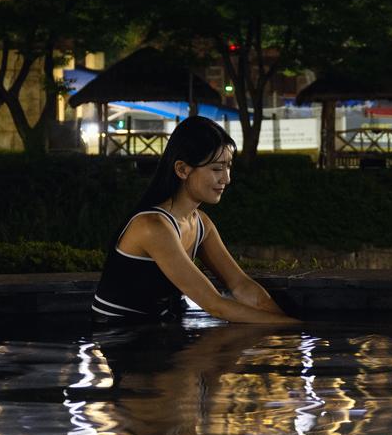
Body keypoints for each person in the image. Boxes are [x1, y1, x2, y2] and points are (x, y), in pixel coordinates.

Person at [92, 116, 293, 324]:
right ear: (182, 169)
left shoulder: (200, 224)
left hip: (160, 332)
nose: (226, 179)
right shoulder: (152, 226)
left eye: (228, 167)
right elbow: (215, 305)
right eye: (216, 169)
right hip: (119, 338)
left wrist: (287, 325)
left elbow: (240, 285)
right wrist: (297, 330)